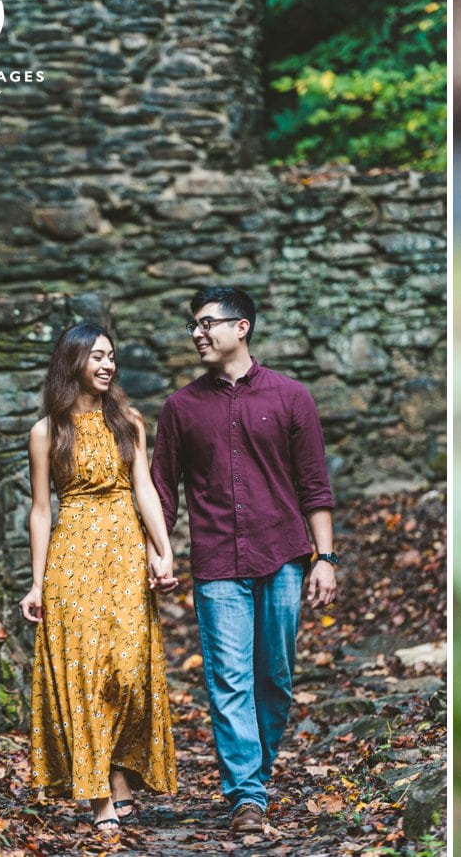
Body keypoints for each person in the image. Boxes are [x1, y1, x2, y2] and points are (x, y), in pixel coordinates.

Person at [151, 286, 340, 834]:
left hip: (282, 554)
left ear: (242, 327)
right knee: (230, 679)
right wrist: (159, 555)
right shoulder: (180, 409)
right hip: (215, 564)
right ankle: (247, 796)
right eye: (193, 325)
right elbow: (163, 492)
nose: (197, 333)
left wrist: (324, 557)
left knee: (274, 678)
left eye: (207, 323)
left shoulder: (291, 397)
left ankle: (255, 771)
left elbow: (314, 485)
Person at [21, 324, 178, 833]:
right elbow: (41, 510)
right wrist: (37, 582)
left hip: (126, 554)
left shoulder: (129, 420)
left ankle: (116, 772)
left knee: (128, 671)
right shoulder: (47, 431)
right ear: (74, 364)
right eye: (97, 357)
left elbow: (146, 491)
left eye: (112, 357)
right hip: (72, 556)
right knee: (85, 674)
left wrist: (163, 550)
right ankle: (99, 798)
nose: (108, 365)